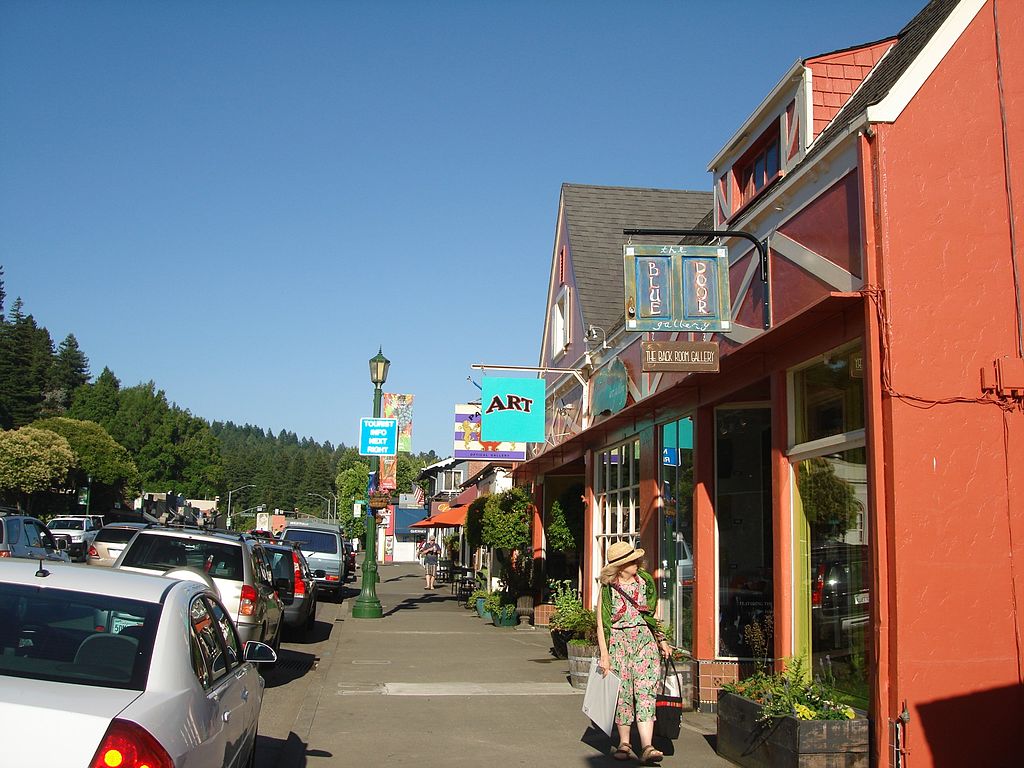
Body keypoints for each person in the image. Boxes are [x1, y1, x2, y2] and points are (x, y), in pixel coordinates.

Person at [596, 541, 672, 765]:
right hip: (619, 642)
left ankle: (647, 746)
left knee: (646, 691)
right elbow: (602, 623)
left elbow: (651, 615)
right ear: (620, 566)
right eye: (631, 561)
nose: (637, 564)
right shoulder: (608, 587)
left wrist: (662, 639)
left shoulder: (645, 582)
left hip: (644, 642)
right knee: (623, 694)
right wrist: (605, 655)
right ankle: (625, 744)